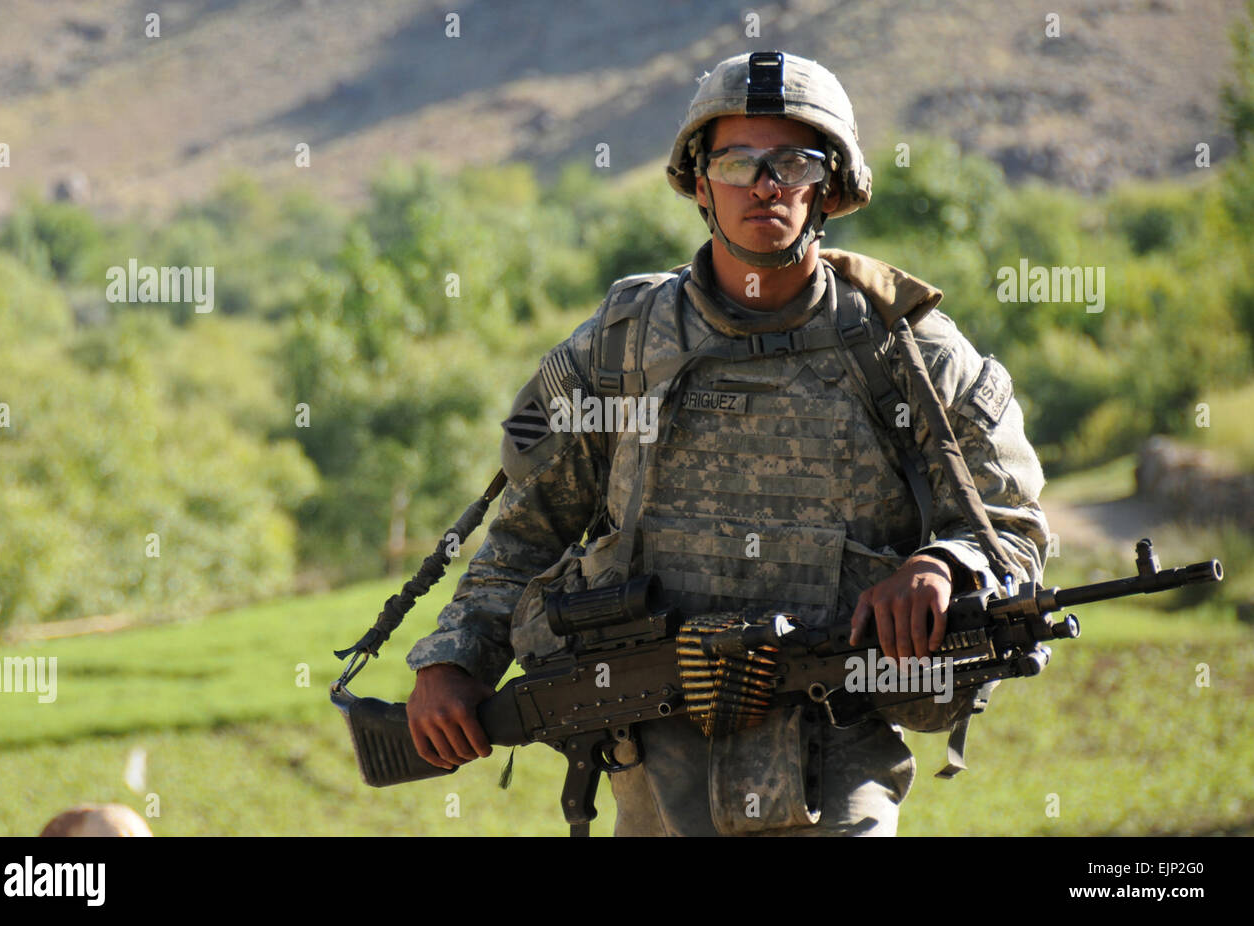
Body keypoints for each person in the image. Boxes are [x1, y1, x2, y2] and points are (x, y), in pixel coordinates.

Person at [404, 51, 1050, 836]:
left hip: (839, 758)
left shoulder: (908, 352)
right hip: (652, 768)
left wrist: (944, 564)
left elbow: (1010, 530)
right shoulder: (618, 352)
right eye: (738, 161)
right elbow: (525, 537)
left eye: (794, 161)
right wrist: (453, 658)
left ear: (830, 186)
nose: (765, 184)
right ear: (701, 183)